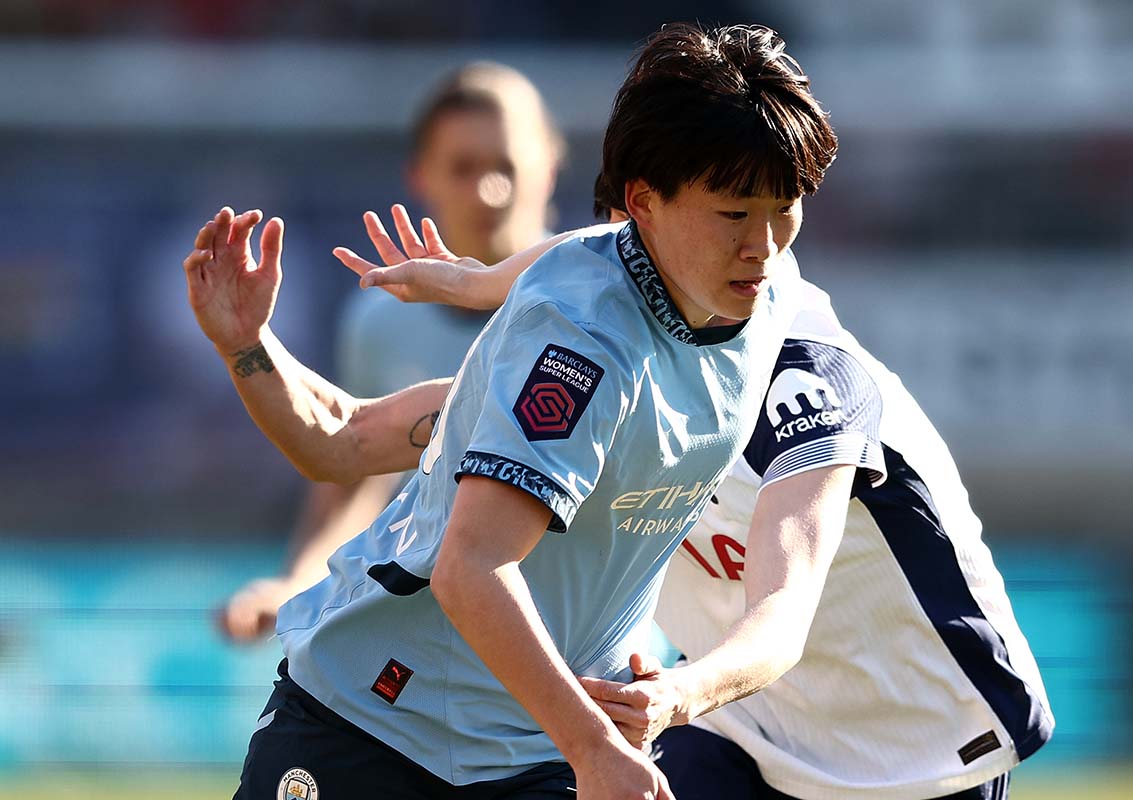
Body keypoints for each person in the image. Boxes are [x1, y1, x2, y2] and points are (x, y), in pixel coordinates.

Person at [183, 23, 838, 799]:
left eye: (784, 207)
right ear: (644, 203)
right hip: (377, 724)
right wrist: (246, 347)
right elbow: (467, 564)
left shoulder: (768, 293)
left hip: (548, 740)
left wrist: (476, 282)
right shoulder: (577, 343)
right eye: (734, 214)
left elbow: (590, 250)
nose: (764, 244)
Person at [336, 134, 1054, 800]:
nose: (757, 241)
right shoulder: (602, 352)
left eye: (772, 211)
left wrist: (679, 694)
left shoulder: (802, 379)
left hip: (918, 740)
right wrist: (476, 284)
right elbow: (352, 437)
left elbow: (780, 620)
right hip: (731, 722)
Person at [217, 62, 565, 641]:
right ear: (419, 176)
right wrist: (298, 583)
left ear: (549, 165)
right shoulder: (379, 321)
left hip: (577, 642)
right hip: (435, 644)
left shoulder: (593, 306)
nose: (490, 190)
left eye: (506, 165)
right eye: (463, 167)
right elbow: (355, 464)